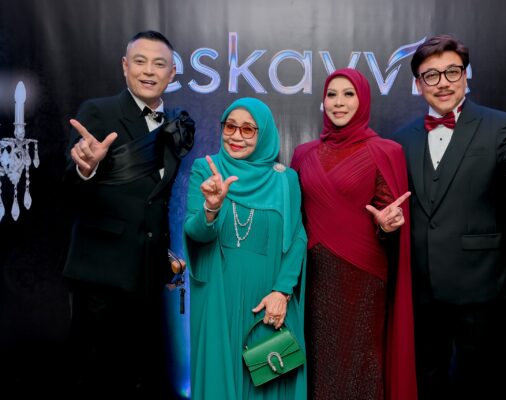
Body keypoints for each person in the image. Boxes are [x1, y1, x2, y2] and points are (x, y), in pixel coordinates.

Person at [391, 34, 506, 400]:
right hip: (420, 288)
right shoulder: (401, 139)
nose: (443, 82)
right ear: (418, 84)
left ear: (466, 75)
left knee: (479, 381)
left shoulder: (499, 125)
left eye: (452, 71)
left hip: (478, 284)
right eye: (431, 75)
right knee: (426, 380)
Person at [62, 30, 194, 399]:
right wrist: (86, 168)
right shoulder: (98, 112)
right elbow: (68, 188)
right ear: (125, 66)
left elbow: (158, 200)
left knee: (140, 376)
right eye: (140, 61)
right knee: (95, 375)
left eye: (159, 64)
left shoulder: (175, 123)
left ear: (171, 73)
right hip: (102, 272)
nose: (149, 70)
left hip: (150, 275)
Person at [291, 68, 417, 400]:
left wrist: (387, 225)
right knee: (320, 364)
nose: (339, 102)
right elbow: (292, 220)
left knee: (361, 364)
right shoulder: (303, 154)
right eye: (331, 94)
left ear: (363, 101)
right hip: (315, 276)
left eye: (349, 94)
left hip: (364, 278)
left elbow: (389, 216)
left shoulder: (386, 151)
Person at [183, 97, 307, 400]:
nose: (236, 136)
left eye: (248, 129)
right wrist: (211, 208)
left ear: (263, 133)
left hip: (268, 302)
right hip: (218, 296)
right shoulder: (206, 171)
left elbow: (297, 239)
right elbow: (195, 233)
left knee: (267, 382)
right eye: (230, 126)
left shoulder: (285, 179)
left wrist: (282, 291)